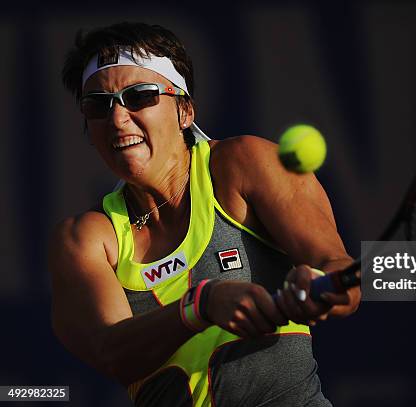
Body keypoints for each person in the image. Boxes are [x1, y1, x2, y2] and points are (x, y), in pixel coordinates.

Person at [49, 22, 360, 406]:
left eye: (140, 96)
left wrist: (319, 285)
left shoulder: (247, 164)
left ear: (184, 111)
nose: (117, 119)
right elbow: (116, 354)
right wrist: (202, 304)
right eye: (98, 104)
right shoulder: (84, 239)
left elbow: (340, 269)